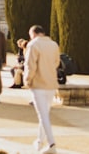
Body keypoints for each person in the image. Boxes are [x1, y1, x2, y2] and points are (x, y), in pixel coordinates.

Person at [24, 25, 61, 154]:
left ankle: (51, 144)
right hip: (51, 83)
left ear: (33, 33)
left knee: (43, 115)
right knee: (44, 114)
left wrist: (27, 80)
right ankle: (40, 140)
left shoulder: (33, 44)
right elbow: (56, 62)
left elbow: (30, 65)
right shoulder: (53, 44)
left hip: (38, 84)